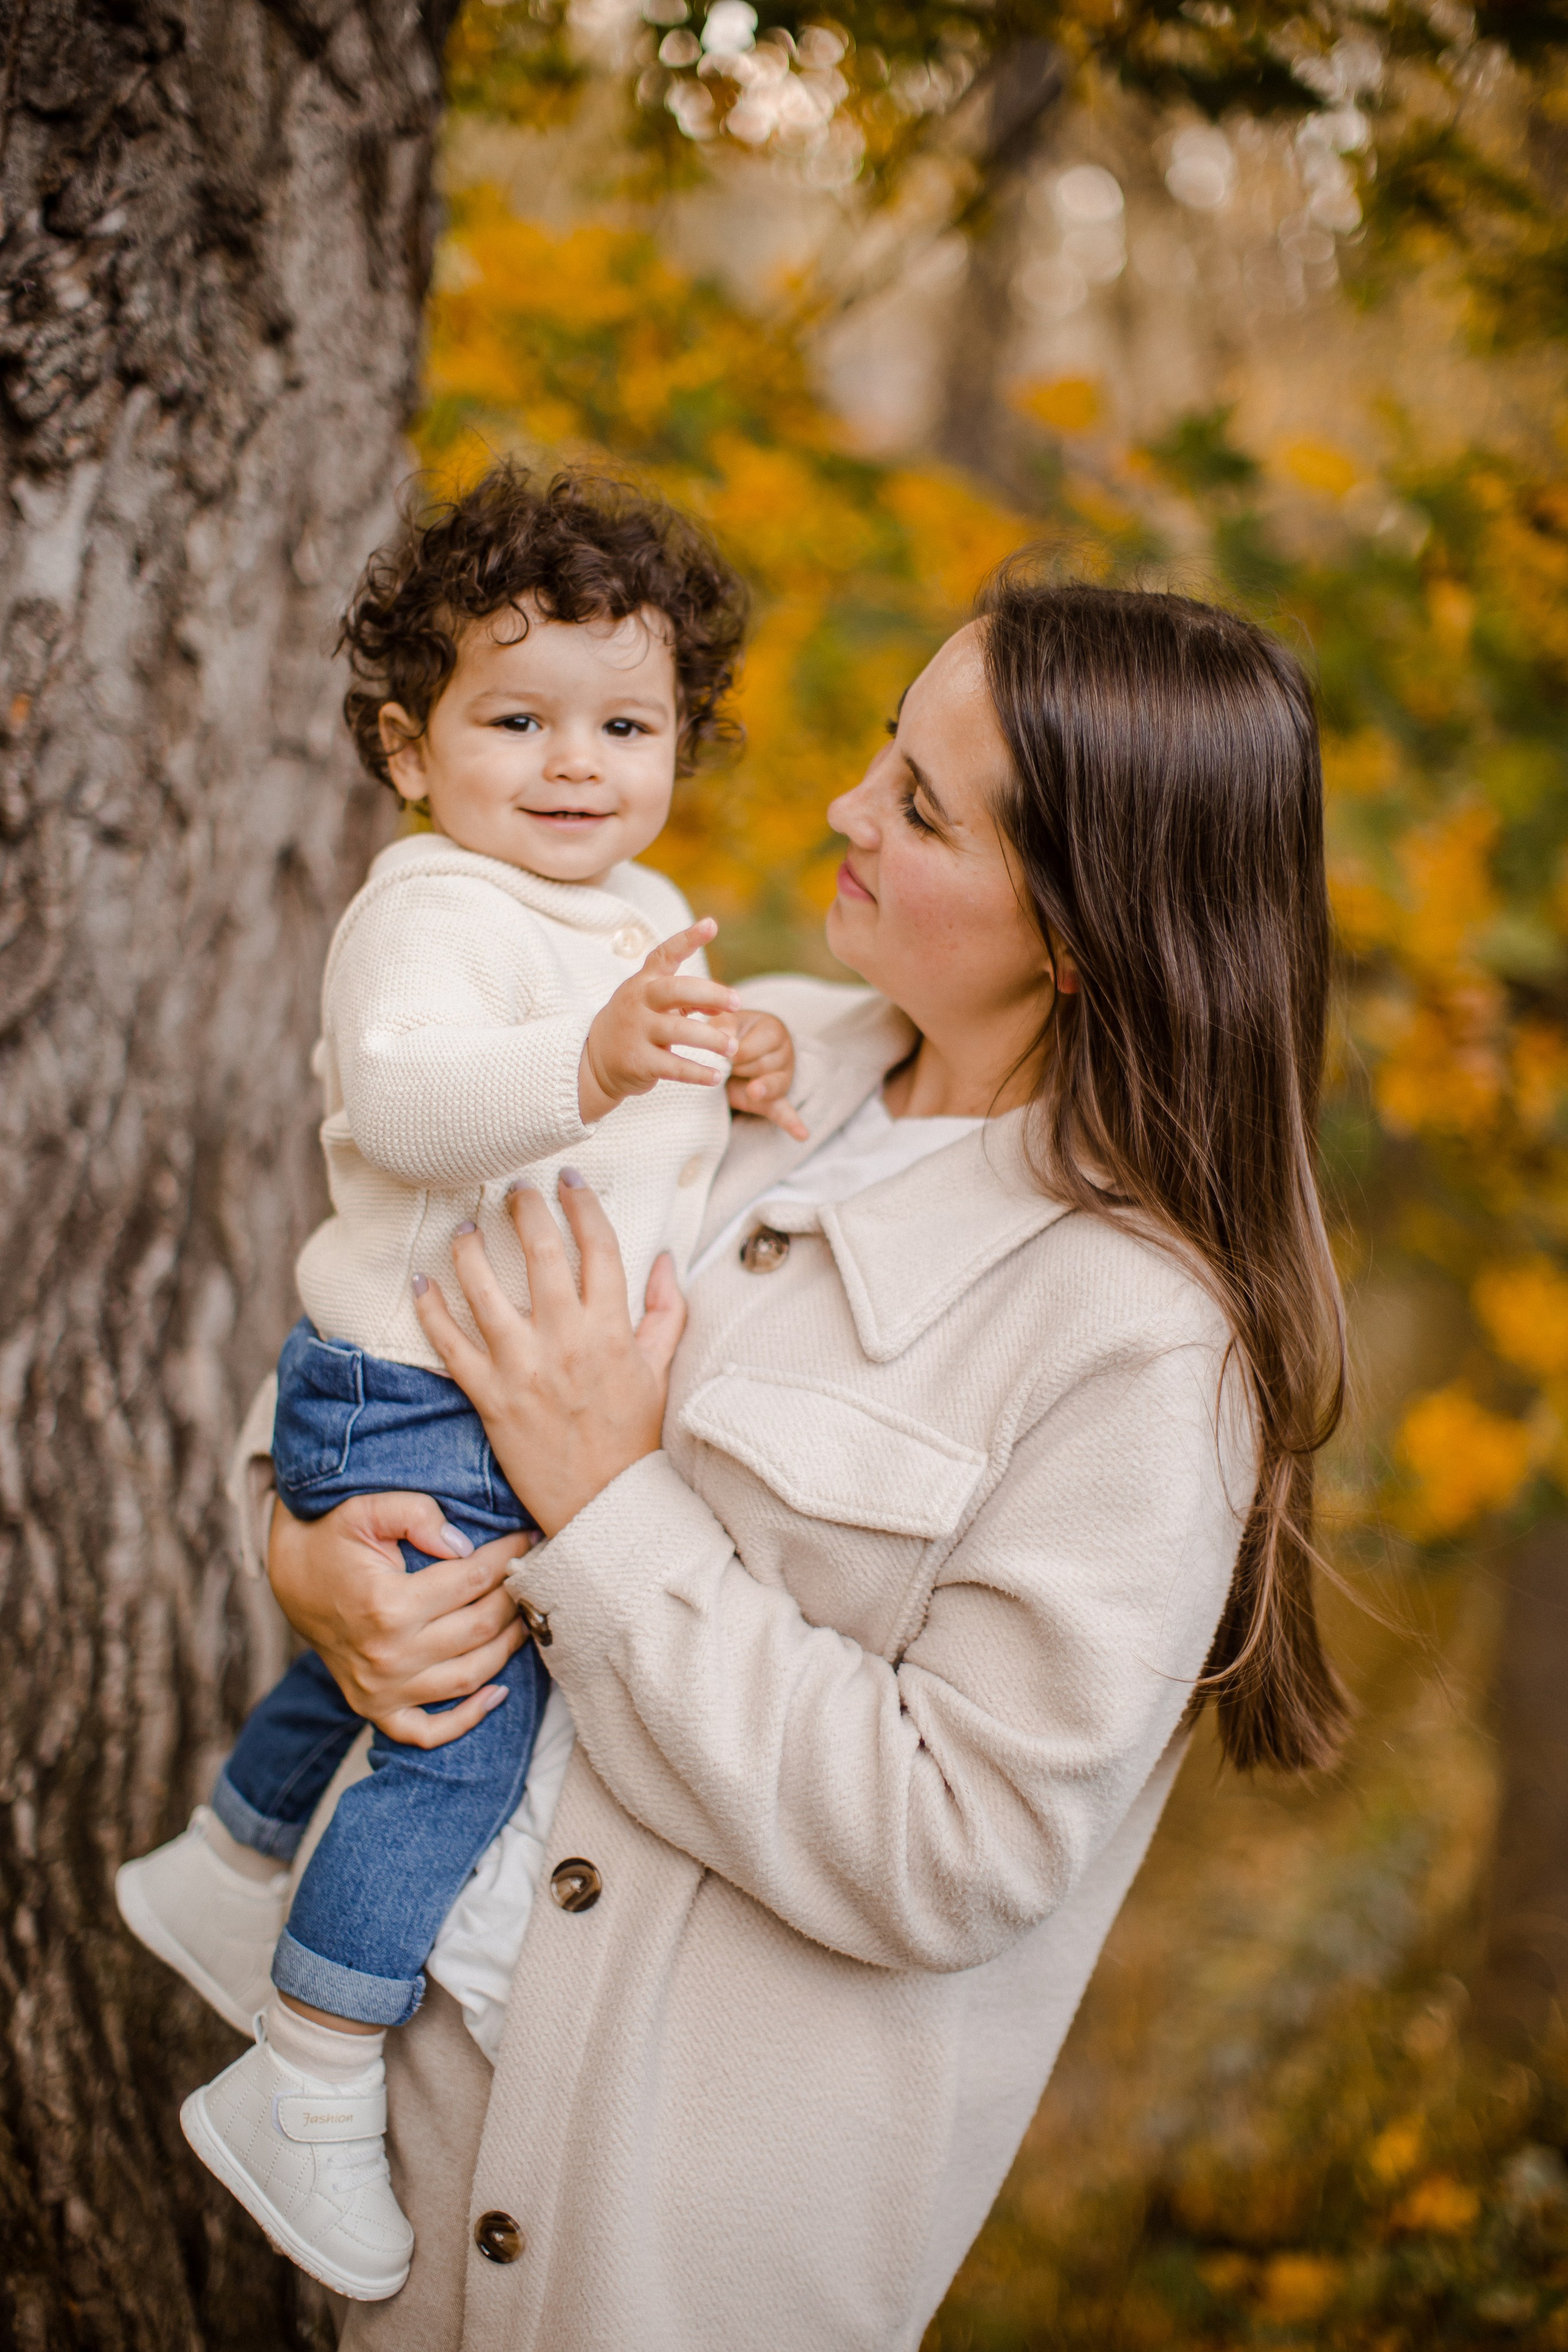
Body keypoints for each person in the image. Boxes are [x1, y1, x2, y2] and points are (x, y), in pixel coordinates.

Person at [179, 575, 1346, 2351]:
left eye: (923, 809)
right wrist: (308, 1552)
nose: (842, 808)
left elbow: (954, 1846)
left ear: (1083, 932)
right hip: (388, 2140)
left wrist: (609, 1504)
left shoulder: (1142, 1343)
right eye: (889, 748)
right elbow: (395, 1311)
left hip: (648, 2256)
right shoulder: (724, 1048)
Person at [113, 466, 803, 2302]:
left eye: (627, 724)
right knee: (461, 1735)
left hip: (462, 1391)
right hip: (414, 1392)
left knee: (394, 1673)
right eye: (516, 720)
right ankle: (315, 2071)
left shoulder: (627, 901)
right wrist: (594, 1057)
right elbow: (414, 1106)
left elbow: (627, 1097)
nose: (576, 765)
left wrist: (710, 1067)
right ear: (411, 751)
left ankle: (229, 1857)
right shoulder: (427, 907)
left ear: (683, 741)